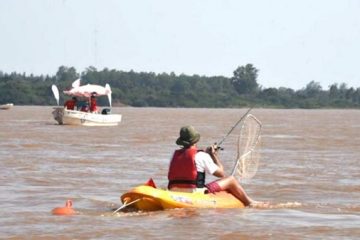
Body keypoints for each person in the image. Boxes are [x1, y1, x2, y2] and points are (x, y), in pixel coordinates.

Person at [168, 125, 259, 207]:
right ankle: (249, 202)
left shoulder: (175, 154)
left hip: (173, 191)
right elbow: (221, 173)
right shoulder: (202, 155)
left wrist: (208, 154)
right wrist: (214, 156)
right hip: (195, 193)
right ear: (195, 140)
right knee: (231, 180)